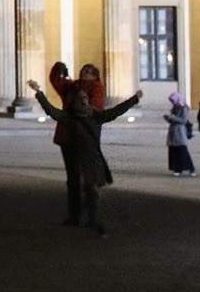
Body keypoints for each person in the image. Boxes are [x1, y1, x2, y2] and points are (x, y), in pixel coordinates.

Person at [28, 75, 141, 235]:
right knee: (77, 185)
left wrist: (134, 99)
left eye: (85, 98)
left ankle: (92, 220)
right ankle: (78, 217)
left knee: (91, 187)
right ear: (74, 101)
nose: (83, 100)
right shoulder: (70, 117)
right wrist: (39, 93)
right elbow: (52, 111)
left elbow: (115, 111)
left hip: (92, 158)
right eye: (80, 98)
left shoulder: (95, 116)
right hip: (76, 157)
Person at [43, 61, 110, 225]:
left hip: (84, 138)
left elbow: (94, 110)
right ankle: (75, 215)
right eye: (83, 70)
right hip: (68, 136)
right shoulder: (72, 86)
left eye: (89, 71)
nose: (84, 72)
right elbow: (56, 82)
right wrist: (58, 68)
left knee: (87, 180)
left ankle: (89, 216)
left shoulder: (96, 88)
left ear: (95, 76)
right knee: (73, 178)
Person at [163, 92, 196, 176]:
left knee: (182, 150)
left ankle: (190, 168)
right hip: (173, 132)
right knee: (174, 151)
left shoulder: (183, 108)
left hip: (179, 132)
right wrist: (168, 118)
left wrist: (171, 118)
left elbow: (183, 120)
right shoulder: (175, 107)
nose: (173, 103)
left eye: (173, 101)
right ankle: (177, 168)